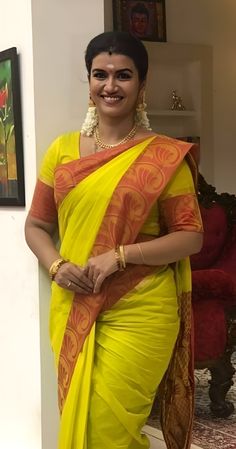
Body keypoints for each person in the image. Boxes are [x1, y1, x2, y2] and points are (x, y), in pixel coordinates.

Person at [25, 31, 203, 449]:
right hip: (76, 304)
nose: (110, 85)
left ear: (142, 84)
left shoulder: (164, 156)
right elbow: (36, 226)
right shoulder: (62, 152)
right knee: (83, 421)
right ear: (88, 81)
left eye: (123, 75)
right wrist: (57, 265)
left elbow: (191, 236)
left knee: (109, 431)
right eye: (99, 74)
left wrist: (119, 256)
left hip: (142, 309)